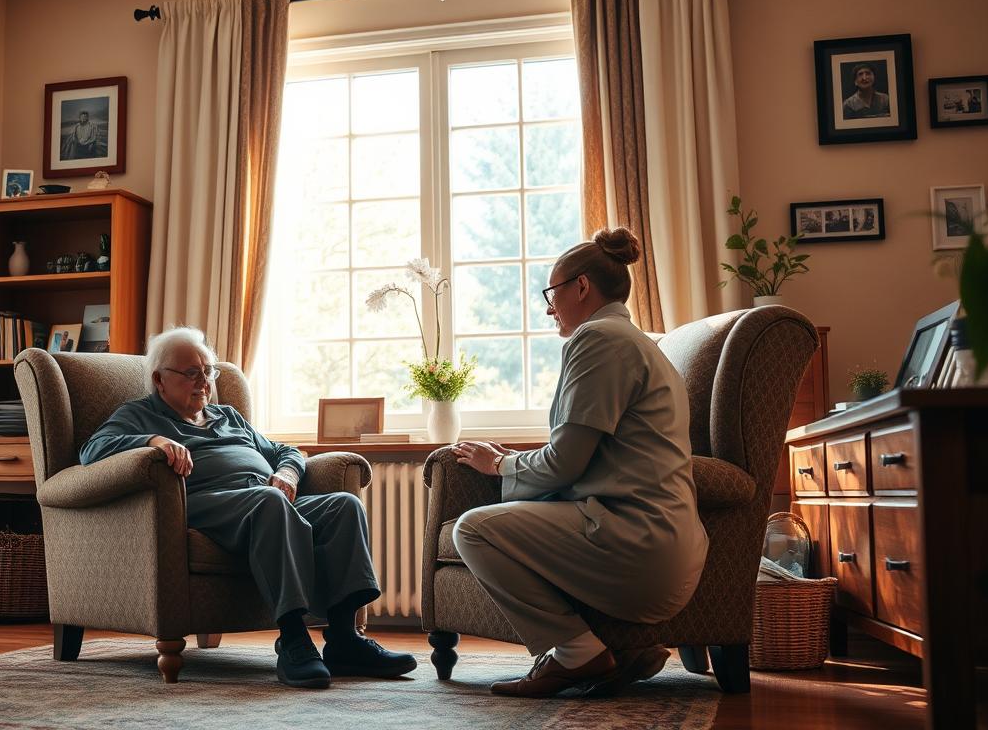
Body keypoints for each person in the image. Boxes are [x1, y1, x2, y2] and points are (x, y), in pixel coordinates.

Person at [78, 326, 417, 689]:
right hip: (206, 506)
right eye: (192, 373)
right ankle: (293, 640)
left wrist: (287, 472)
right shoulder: (140, 415)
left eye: (208, 371)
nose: (204, 381)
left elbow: (285, 450)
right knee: (269, 501)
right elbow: (91, 451)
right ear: (160, 380)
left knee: (343, 506)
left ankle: (345, 641)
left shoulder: (228, 416)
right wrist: (154, 441)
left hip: (264, 500)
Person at [450, 227, 708, 699]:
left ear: (581, 287)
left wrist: (499, 467)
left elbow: (566, 463)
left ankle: (577, 653)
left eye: (552, 293)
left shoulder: (598, 340)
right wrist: (518, 460)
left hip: (640, 544)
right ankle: (619, 649)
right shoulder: (635, 341)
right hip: (665, 542)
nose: (549, 308)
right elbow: (592, 456)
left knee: (472, 529)